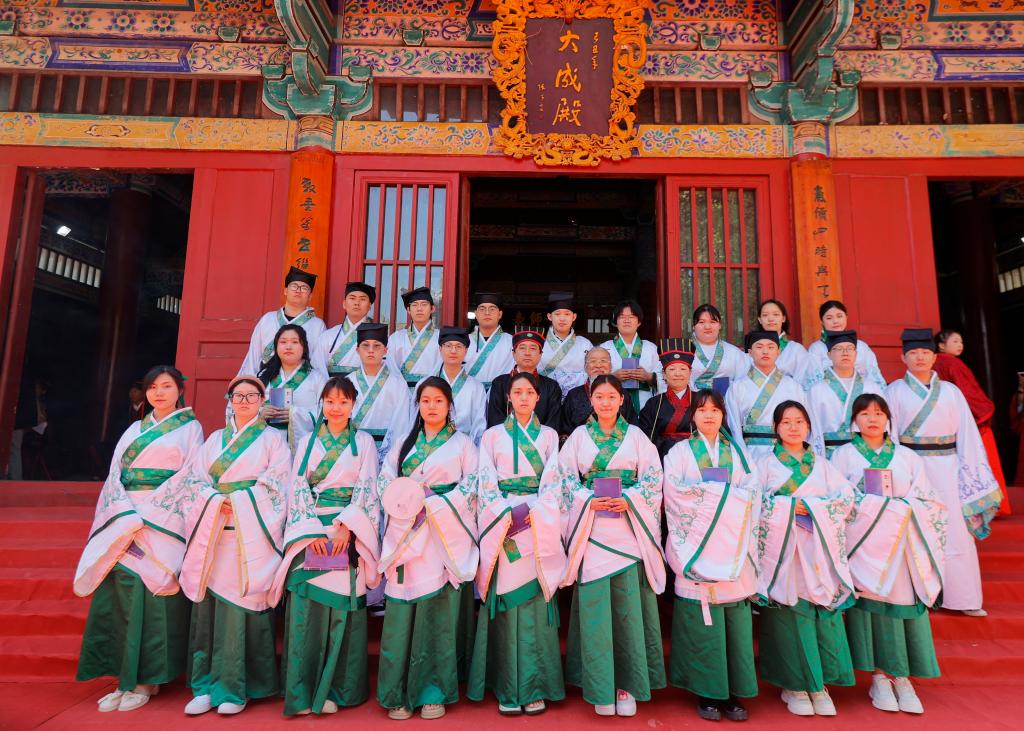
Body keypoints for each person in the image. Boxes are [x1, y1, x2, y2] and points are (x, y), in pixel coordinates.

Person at [74, 366, 203, 712]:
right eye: (152, 387)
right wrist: (123, 514)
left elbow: (191, 477)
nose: (159, 393)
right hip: (125, 516)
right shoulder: (133, 429)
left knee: (153, 593)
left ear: (179, 390)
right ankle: (123, 677)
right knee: (119, 590)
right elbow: (114, 475)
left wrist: (150, 515)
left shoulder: (191, 429)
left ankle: (147, 679)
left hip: (162, 520)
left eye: (166, 386)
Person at [164, 376, 292, 716]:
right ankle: (205, 685)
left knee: (242, 608)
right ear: (230, 400)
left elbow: (278, 485)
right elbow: (194, 482)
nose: (244, 401)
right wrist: (212, 501)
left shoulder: (273, 440)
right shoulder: (214, 440)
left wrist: (237, 501)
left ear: (262, 401)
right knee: (209, 611)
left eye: (252, 396)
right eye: (238, 396)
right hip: (213, 532)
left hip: (251, 534)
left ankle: (238, 687)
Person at [552, 374, 666, 717]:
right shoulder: (578, 437)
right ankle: (599, 683)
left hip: (629, 525)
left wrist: (630, 499)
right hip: (592, 526)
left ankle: (627, 683)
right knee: (596, 608)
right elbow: (563, 479)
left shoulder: (636, 436)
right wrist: (588, 500)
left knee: (627, 606)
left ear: (621, 400)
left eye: (611, 397)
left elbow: (653, 477)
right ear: (591, 401)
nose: (605, 402)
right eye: (599, 397)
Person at [270, 377, 381, 716]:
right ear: (322, 403)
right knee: (307, 609)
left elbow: (367, 487)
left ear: (353, 405)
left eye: (343, 402)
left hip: (346, 532)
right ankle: (302, 689)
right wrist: (311, 532)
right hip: (311, 530)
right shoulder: (307, 441)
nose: (336, 408)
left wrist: (348, 527)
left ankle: (338, 688)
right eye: (330, 401)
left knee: (342, 610)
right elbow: (297, 487)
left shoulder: (363, 442)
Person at [831, 394, 946, 715]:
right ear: (854, 420)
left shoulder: (907, 457)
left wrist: (899, 510)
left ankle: (903, 677)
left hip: (902, 544)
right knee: (871, 608)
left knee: (901, 607)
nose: (872, 419)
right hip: (864, 544)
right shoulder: (842, 455)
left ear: (888, 420)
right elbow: (838, 498)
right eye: (865, 414)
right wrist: (877, 509)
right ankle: (879, 678)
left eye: (879, 413)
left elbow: (928, 500)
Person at [377, 378, 480, 721]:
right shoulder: (404, 444)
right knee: (402, 610)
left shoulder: (463, 444)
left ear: (450, 405)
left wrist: (434, 504)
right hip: (406, 531)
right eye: (425, 401)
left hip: (442, 532)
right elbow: (385, 479)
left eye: (438, 400)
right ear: (417, 405)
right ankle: (397, 691)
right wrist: (406, 502)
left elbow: (473, 485)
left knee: (437, 615)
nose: (432, 406)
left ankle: (432, 690)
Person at [884, 328, 1002, 616]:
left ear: (935, 357)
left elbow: (968, 437)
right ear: (903, 358)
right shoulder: (893, 392)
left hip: (949, 467)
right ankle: (917, 597)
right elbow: (890, 438)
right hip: (912, 469)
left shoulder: (951, 392)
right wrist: (897, 474)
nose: (920, 357)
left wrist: (971, 478)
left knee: (956, 533)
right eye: (913, 353)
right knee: (914, 530)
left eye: (925, 353)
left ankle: (963, 599)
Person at [468, 371, 566, 715]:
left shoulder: (550, 436)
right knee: (506, 601)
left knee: (536, 600)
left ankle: (536, 685)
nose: (524, 398)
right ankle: (507, 685)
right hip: (504, 522)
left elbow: (555, 482)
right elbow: (485, 482)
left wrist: (534, 512)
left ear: (538, 398)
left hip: (538, 521)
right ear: (507, 397)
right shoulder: (492, 436)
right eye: (517, 392)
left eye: (529, 393)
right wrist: (505, 514)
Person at [662, 389, 758, 722]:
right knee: (703, 627)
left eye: (715, 410)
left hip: (732, 547)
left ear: (723, 416)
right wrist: (721, 498)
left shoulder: (738, 453)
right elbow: (674, 492)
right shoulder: (679, 452)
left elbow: (752, 491)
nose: (708, 415)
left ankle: (733, 691)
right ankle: (707, 690)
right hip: (696, 545)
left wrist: (717, 499)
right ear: (693, 416)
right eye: (702, 410)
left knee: (733, 626)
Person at [755, 401, 856, 717]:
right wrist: (787, 508)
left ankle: (820, 684)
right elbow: (753, 502)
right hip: (783, 550)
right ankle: (794, 684)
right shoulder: (765, 464)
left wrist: (813, 508)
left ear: (809, 427)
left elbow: (846, 498)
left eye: (799, 421)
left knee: (819, 609)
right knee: (788, 612)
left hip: (817, 547)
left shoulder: (823, 465)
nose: (793, 427)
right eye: (786, 422)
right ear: (776, 428)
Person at [935, 328, 1011, 516]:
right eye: (955, 341)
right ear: (941, 345)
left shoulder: (935, 363)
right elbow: (969, 392)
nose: (960, 345)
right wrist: (985, 409)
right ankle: (990, 505)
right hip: (969, 421)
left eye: (961, 342)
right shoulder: (953, 363)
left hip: (943, 422)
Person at [725, 330, 808, 460]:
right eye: (759, 347)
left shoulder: (793, 387)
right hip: (750, 454)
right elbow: (734, 428)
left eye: (770, 347)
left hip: (786, 453)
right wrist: (743, 459)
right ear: (749, 352)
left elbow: (802, 424)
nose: (765, 351)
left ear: (778, 351)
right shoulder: (737, 388)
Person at [806, 330, 882, 458]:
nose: (845, 353)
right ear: (829, 355)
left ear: (856, 354)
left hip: (866, 454)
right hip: (830, 456)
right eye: (839, 349)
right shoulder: (816, 390)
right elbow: (812, 429)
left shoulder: (872, 387)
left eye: (850, 348)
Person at [240, 267, 326, 377]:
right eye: (294, 286)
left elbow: (318, 361)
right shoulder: (268, 319)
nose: (298, 290)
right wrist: (249, 381)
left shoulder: (317, 325)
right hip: (266, 379)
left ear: (310, 296)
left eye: (304, 288)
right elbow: (253, 355)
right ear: (285, 291)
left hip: (300, 381)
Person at [257, 324, 326, 451]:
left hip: (302, 446)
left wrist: (294, 413)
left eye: (294, 342)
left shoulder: (317, 378)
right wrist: (260, 413)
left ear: (304, 347)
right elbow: (247, 407)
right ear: (276, 347)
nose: (288, 347)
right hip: (266, 444)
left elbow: (325, 413)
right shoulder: (263, 376)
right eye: (283, 342)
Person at [346, 322, 412, 454]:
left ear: (385, 350)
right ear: (357, 350)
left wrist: (390, 454)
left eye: (377, 346)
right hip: (352, 448)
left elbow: (401, 422)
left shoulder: (398, 384)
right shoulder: (347, 382)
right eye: (365, 345)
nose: (371, 350)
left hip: (387, 450)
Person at [416, 326, 486, 445]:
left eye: (458, 346)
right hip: (429, 447)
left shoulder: (476, 387)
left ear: (466, 350)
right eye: (448, 346)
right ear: (440, 349)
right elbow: (416, 421)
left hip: (464, 448)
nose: (453, 351)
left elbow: (479, 426)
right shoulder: (424, 384)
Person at [486, 329, 563, 431]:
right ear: (513, 353)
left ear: (540, 354)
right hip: (504, 440)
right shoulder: (499, 383)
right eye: (522, 348)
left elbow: (552, 424)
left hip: (540, 440)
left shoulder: (551, 387)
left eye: (533, 348)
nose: (527, 353)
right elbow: (495, 420)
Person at [805, 300, 887, 389]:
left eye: (839, 316)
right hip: (828, 394)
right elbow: (813, 380)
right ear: (822, 322)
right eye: (829, 318)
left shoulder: (861, 346)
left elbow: (874, 377)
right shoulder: (817, 348)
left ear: (846, 317)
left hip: (863, 393)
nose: (835, 321)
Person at [599, 299, 662, 413]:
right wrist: (612, 377)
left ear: (639, 322)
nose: (627, 320)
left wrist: (649, 377)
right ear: (616, 321)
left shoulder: (651, 348)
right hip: (613, 404)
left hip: (646, 404)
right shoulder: (604, 348)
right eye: (622, 317)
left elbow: (665, 376)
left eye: (632, 317)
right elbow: (593, 378)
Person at [561, 346, 639, 435]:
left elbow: (632, 427)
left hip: (618, 443)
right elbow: (565, 430)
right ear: (585, 367)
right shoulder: (573, 395)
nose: (598, 365)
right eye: (593, 361)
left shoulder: (622, 394)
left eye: (603, 361)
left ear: (611, 367)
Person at [638, 339, 693, 458]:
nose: (677, 374)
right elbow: (644, 438)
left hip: (695, 457)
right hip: (661, 457)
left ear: (690, 373)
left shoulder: (702, 401)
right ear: (663, 374)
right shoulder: (653, 404)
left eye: (683, 369)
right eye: (672, 369)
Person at [313, 281, 376, 377]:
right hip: (332, 386)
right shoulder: (328, 336)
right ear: (344, 304)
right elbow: (318, 369)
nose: (357, 303)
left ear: (369, 306)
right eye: (352, 298)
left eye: (363, 299)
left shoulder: (378, 337)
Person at [387, 287, 441, 390]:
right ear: (408, 310)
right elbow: (390, 368)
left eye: (424, 304)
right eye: (415, 305)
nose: (419, 309)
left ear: (432, 308)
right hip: (401, 392)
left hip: (431, 393)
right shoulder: (396, 338)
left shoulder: (441, 338)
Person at [539, 292, 592, 398]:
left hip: (578, 399)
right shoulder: (539, 343)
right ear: (549, 316)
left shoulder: (585, 344)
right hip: (546, 397)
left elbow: (593, 372)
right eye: (557, 314)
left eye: (567, 314)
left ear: (574, 317)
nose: (562, 318)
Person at [689, 304, 749, 390]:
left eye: (712, 322)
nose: (707, 327)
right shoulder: (684, 350)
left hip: (726, 398)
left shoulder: (734, 352)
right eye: (701, 322)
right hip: (692, 397)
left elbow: (743, 381)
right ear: (693, 326)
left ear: (720, 325)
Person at [465, 292, 515, 393]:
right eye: (482, 309)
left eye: (492, 309)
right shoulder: (463, 341)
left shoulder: (512, 342)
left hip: (501, 393)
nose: (487, 313)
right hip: (470, 393)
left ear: (500, 314)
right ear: (476, 314)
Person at [757, 299, 809, 385]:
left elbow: (802, 382)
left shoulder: (796, 349)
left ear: (783, 318)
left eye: (776, 314)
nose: (770, 319)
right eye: (765, 315)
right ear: (760, 320)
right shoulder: (752, 349)